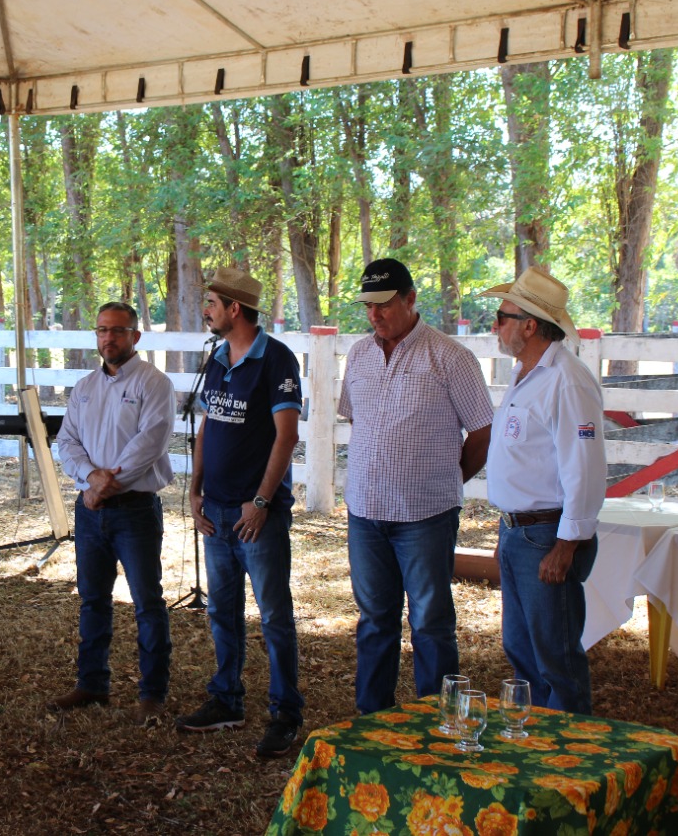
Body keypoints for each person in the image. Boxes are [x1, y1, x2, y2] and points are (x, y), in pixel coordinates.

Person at [338, 258, 494, 714]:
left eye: (384, 305)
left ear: (410, 299)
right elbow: (357, 418)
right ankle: (374, 720)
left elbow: (482, 430)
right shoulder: (360, 355)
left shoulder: (450, 357)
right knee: (374, 621)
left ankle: (439, 720)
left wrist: (448, 477)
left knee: (430, 622)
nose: (374, 316)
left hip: (425, 516)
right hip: (366, 512)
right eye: (368, 306)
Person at [177, 266, 305, 759]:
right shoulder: (217, 357)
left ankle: (285, 714)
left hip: (258, 515)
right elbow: (208, 426)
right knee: (221, 610)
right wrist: (195, 490)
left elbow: (287, 435)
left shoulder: (276, 359)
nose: (205, 309)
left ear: (235, 309)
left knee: (273, 614)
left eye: (211, 302)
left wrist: (261, 502)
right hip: (217, 508)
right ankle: (227, 698)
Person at [480, 268, 605, 714]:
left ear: (530, 324)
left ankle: (572, 761)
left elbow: (585, 466)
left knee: (556, 659)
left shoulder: (566, 379)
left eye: (503, 316)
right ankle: (537, 750)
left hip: (547, 533)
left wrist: (567, 544)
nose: (496, 326)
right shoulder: (528, 373)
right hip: (520, 532)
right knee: (522, 650)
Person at [51, 302, 176, 724]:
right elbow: (66, 441)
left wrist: (104, 485)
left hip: (134, 511)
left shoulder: (154, 383)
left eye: (118, 331)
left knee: (146, 602)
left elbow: (150, 443)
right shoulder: (85, 386)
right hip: (91, 513)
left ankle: (153, 693)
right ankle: (92, 684)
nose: (109, 338)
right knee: (92, 601)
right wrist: (89, 478)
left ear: (135, 337)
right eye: (102, 330)